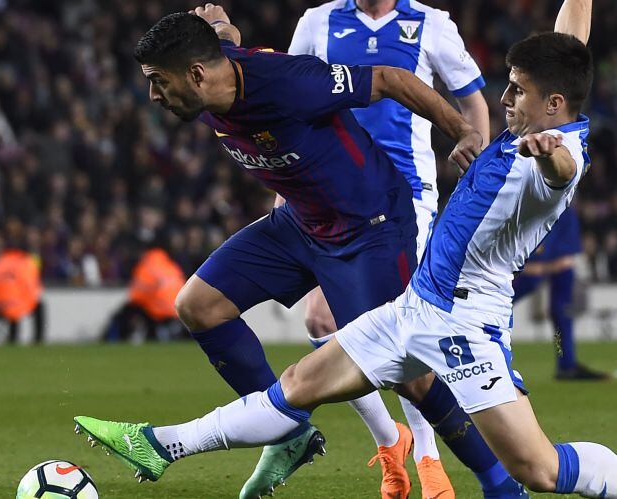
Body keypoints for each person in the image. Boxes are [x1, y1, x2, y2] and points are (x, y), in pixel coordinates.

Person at [74, 7, 617, 499]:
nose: (502, 101)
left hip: (466, 322)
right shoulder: (540, 112)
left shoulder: (554, 155)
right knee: (298, 384)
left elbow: (565, 171)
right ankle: (161, 444)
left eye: (515, 92)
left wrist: (554, 155)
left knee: (538, 469)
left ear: (555, 107)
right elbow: (571, 48)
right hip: (415, 307)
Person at [129, 7, 516, 498]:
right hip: (300, 221)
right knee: (198, 305)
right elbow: (223, 38)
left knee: (409, 375)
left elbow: (391, 79)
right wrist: (221, 23)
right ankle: (288, 435)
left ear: (197, 74)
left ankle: (498, 481)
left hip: (367, 227)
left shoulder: (289, 84)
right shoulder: (215, 66)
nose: (153, 95)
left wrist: (462, 131)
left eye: (158, 81)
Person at [287, 0, 490, 496]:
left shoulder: (431, 24)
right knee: (319, 320)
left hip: (406, 195)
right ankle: (390, 440)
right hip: (329, 193)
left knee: (399, 326)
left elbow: (474, 101)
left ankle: (427, 456)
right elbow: (288, 104)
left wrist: (480, 169)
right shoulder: (318, 21)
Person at [512, 207, 607, 380]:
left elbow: (565, 262)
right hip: (542, 219)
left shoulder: (566, 214)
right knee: (506, 298)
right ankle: (565, 363)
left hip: (553, 220)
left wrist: (541, 268)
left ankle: (565, 362)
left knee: (560, 312)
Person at [104, 244, 186, 342]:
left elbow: (137, 294)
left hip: (158, 310)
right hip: (177, 310)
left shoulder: (146, 265)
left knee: (126, 312)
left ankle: (115, 337)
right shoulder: (172, 266)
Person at [0, 239, 45, 344]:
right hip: (10, 302)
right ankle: (37, 339)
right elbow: (30, 284)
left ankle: (12, 339)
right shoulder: (24, 262)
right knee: (27, 305)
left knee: (13, 305)